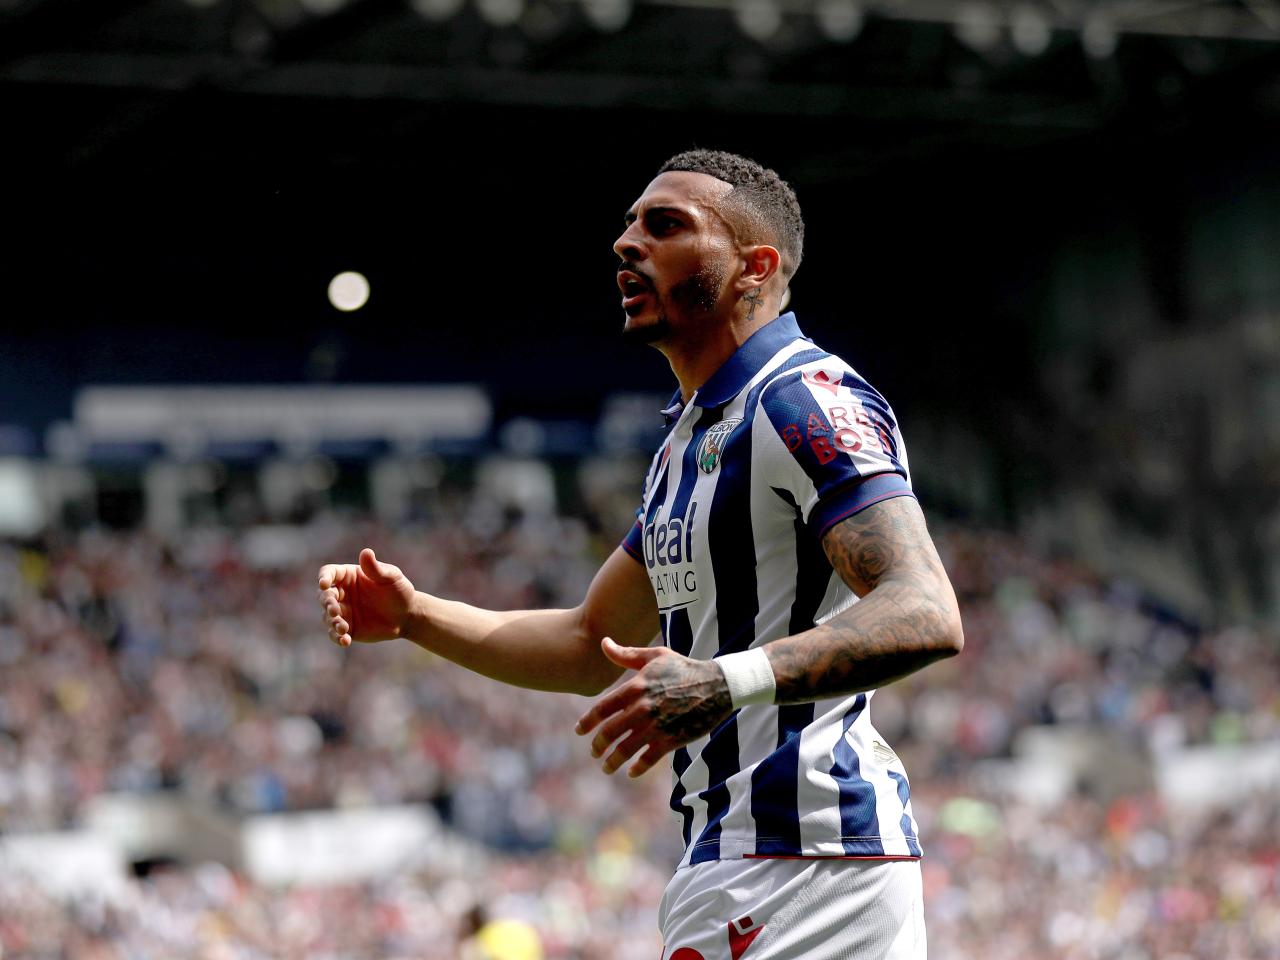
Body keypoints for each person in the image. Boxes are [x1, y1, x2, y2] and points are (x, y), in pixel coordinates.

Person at [318, 149, 963, 960]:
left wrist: (723, 680)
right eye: (628, 224)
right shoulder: (685, 445)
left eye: (664, 226)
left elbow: (925, 609)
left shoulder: (804, 400)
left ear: (753, 269)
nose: (627, 243)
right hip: (741, 861)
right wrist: (416, 618)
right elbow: (593, 642)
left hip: (808, 863)